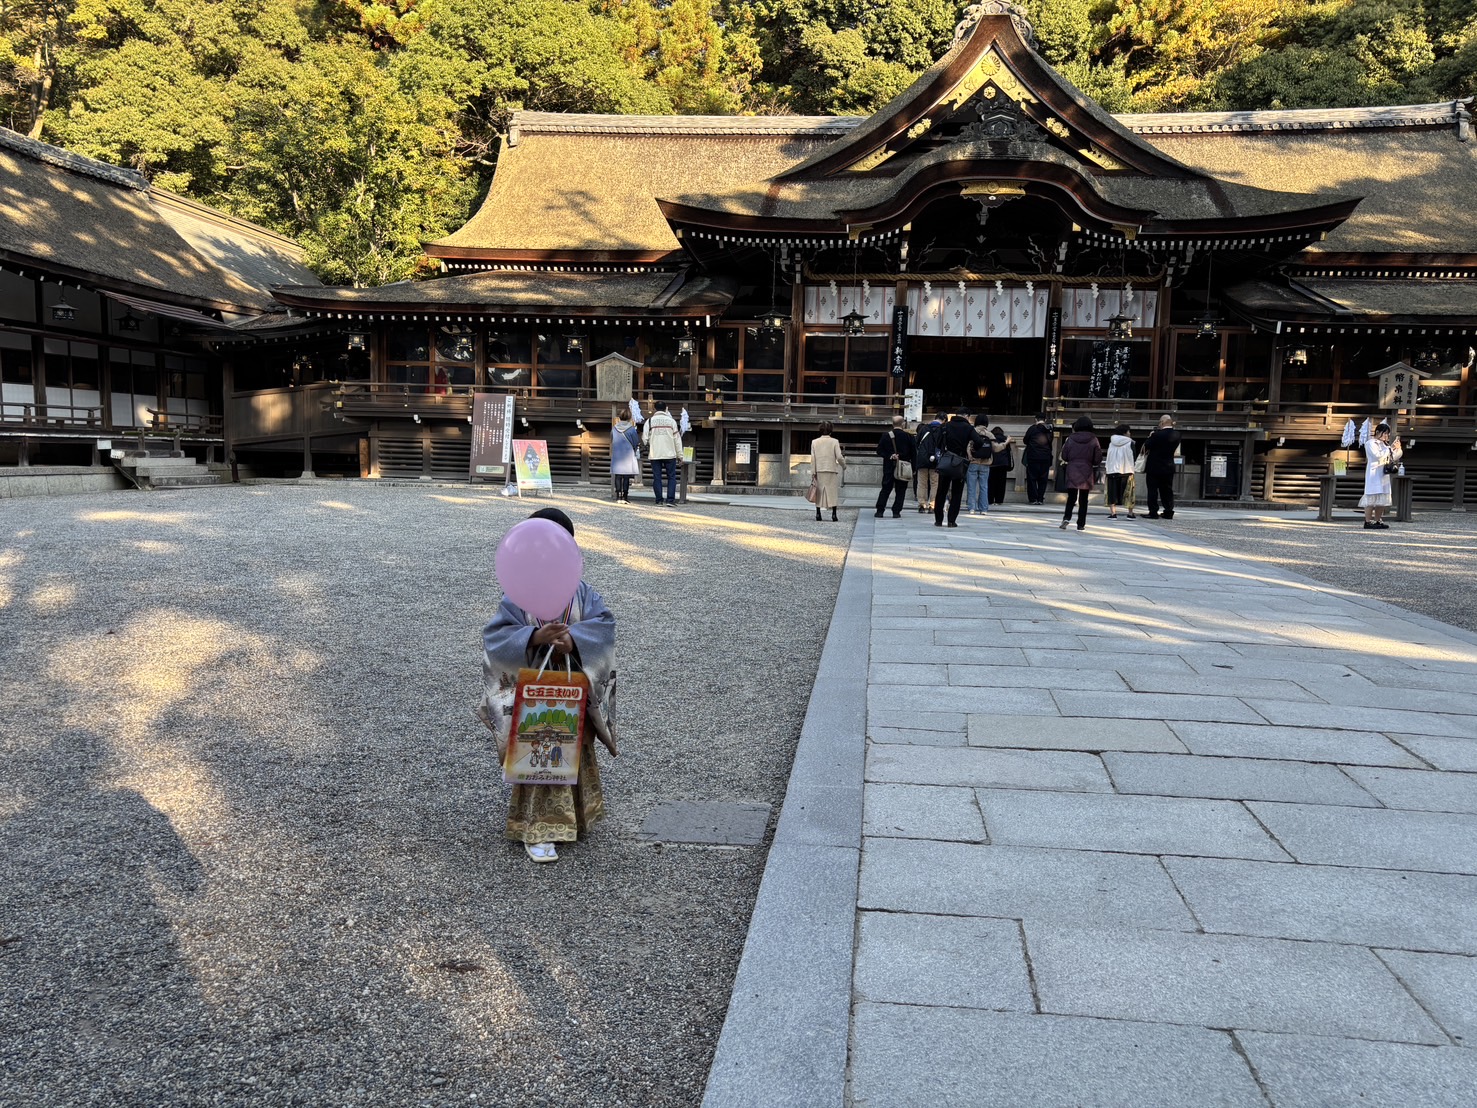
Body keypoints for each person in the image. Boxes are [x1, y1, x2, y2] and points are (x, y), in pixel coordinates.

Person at [480, 508, 618, 864]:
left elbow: (604, 628)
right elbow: (495, 639)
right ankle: (538, 830)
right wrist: (533, 636)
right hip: (535, 689)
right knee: (541, 753)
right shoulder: (516, 597)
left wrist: (576, 643)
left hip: (574, 683)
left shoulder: (584, 594)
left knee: (572, 750)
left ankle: (574, 818)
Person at [935, 409, 989, 528]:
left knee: (941, 491)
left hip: (946, 460)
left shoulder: (945, 426)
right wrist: (971, 448)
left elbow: (938, 443)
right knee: (957, 492)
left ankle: (938, 520)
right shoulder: (968, 428)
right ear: (966, 416)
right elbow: (979, 442)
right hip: (960, 461)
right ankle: (951, 521)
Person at [1058, 416, 1103, 531]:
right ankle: (1081, 523)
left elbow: (1064, 456)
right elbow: (1097, 458)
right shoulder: (1094, 439)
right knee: (1084, 499)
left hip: (1072, 469)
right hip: (1086, 470)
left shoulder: (1071, 438)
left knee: (1071, 497)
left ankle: (1067, 517)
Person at [1361, 423, 1403, 529]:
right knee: (1371, 497)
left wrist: (1397, 449)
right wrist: (1390, 448)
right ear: (1378, 432)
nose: (1386, 436)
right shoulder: (1370, 443)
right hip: (1374, 473)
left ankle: (1378, 520)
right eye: (1384, 434)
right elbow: (1377, 456)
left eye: (1388, 434)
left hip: (1383, 474)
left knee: (1382, 498)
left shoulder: (1385, 445)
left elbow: (1393, 457)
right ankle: (1367, 521)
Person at [1142, 414, 1182, 520]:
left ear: (1162, 422)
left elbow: (1147, 445)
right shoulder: (1177, 434)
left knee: (1152, 490)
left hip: (1154, 466)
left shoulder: (1156, 435)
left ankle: (1153, 512)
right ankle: (1168, 511)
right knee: (1167, 490)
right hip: (1168, 466)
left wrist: (1150, 436)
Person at [643, 401, 682, 506]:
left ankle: (659, 500)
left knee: (657, 477)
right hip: (670, 453)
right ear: (666, 409)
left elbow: (644, 439)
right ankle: (670, 500)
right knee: (671, 477)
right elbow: (677, 440)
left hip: (655, 453)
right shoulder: (671, 421)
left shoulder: (650, 421)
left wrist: (651, 442)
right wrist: (680, 455)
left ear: (655, 409)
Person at [875, 415, 914, 518]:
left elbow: (879, 451)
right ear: (903, 424)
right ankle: (896, 511)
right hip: (904, 466)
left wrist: (890, 455)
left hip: (889, 466)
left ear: (892, 424)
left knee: (886, 488)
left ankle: (880, 510)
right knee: (901, 490)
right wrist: (914, 468)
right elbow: (914, 454)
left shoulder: (886, 436)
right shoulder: (909, 437)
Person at [811, 420, 846, 522]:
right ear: (831, 431)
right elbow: (839, 456)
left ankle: (818, 513)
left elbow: (813, 458)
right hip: (831, 469)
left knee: (819, 492)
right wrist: (844, 465)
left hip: (819, 469)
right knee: (832, 492)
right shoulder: (834, 441)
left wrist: (813, 471)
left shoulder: (814, 442)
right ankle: (834, 514)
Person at [1104, 423, 1137, 519]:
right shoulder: (1130, 443)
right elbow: (1134, 457)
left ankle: (1113, 513)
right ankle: (1130, 513)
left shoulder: (1111, 442)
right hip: (1126, 469)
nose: (1130, 433)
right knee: (1129, 492)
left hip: (1112, 470)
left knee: (1112, 492)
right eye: (1128, 431)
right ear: (1125, 433)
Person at [914, 412, 945, 513]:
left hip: (922, 458)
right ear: (944, 420)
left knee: (921, 483)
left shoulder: (924, 428)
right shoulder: (942, 430)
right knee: (934, 483)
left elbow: (917, 442)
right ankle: (932, 505)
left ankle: (922, 505)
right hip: (936, 460)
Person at [1022, 414, 1053, 504]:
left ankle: (1033, 499)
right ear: (1045, 419)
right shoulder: (1049, 429)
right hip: (1046, 456)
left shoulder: (1032, 428)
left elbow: (1025, 440)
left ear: (1035, 419)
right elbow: (1051, 441)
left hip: (1033, 456)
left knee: (1032, 478)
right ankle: (1040, 498)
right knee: (1043, 478)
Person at [964, 414, 992, 514]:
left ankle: (972, 508)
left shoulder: (972, 432)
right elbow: (996, 448)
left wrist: (969, 456)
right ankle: (984, 509)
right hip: (985, 463)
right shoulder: (989, 434)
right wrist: (1005, 443)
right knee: (984, 486)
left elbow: (968, 446)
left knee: (971, 487)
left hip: (973, 462)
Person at [610, 413, 640, 503]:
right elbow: (635, 442)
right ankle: (625, 496)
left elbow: (611, 439)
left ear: (619, 417)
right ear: (629, 418)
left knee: (618, 475)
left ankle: (618, 496)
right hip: (628, 454)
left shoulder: (614, 428)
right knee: (626, 476)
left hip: (617, 453)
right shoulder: (631, 429)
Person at [988, 425, 1014, 506]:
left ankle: (990, 500)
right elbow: (1009, 452)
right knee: (1001, 483)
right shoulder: (1005, 439)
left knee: (991, 482)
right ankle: (999, 500)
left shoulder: (991, 439)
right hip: (1003, 463)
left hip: (992, 463)